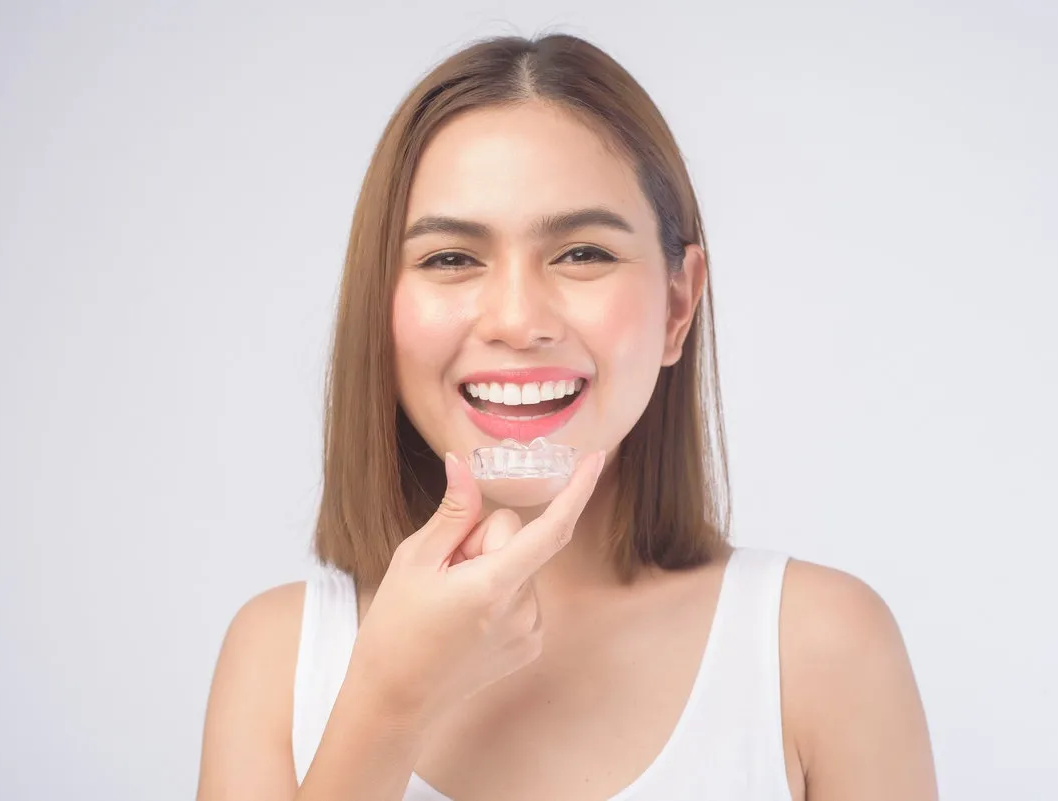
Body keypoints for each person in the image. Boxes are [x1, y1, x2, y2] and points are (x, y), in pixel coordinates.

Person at [195, 33, 938, 801]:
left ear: (678, 305)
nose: (518, 321)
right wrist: (388, 703)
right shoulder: (277, 658)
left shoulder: (821, 647)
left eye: (583, 253)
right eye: (451, 258)